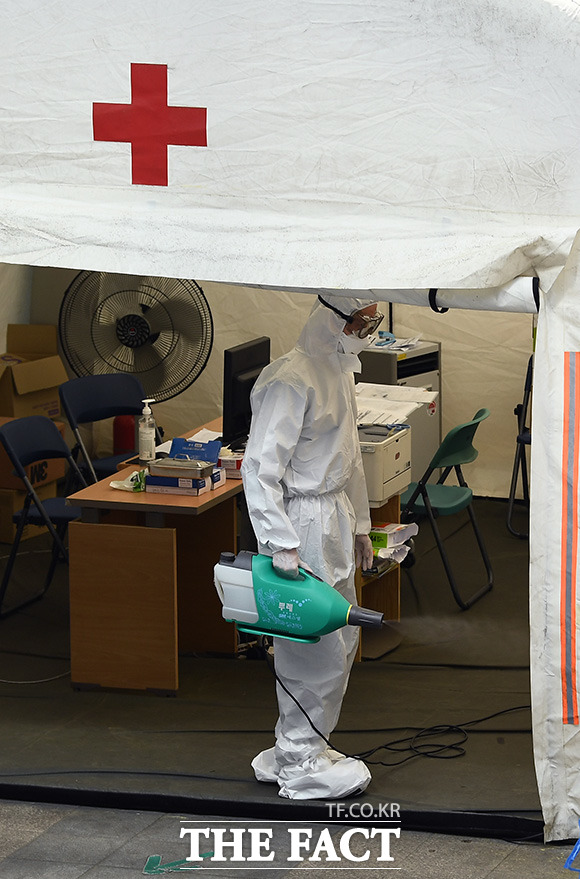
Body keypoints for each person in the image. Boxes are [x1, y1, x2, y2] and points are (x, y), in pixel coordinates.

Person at [241, 292, 384, 800]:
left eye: (372, 324)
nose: (367, 334)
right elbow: (259, 468)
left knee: (340, 639)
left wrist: (362, 524)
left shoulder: (340, 370)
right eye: (362, 324)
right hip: (302, 522)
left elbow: (351, 455)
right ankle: (299, 760)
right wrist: (279, 542)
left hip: (333, 516)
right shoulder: (290, 378)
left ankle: (302, 744)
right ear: (332, 319)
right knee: (312, 647)